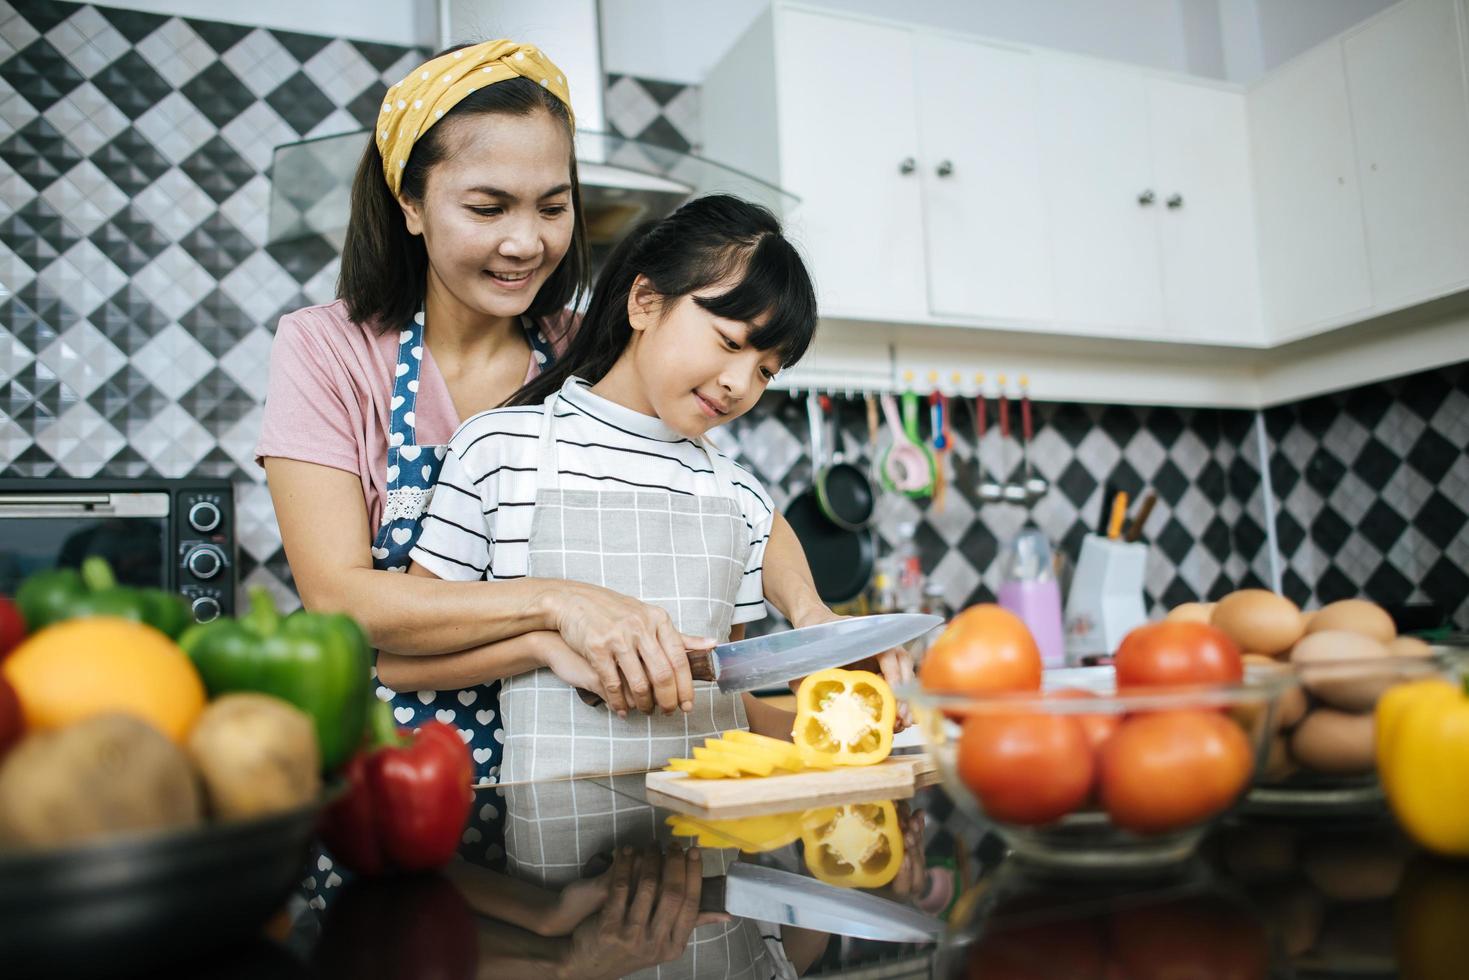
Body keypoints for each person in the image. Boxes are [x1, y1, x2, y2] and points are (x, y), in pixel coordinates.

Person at [255, 39, 911, 866]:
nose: (527, 243)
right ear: (411, 204)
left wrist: (811, 617)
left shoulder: (586, 344)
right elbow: (341, 601)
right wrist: (559, 605)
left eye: (553, 206)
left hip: (599, 795)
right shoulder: (330, 349)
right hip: (403, 783)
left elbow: (736, 503)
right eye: (488, 208)